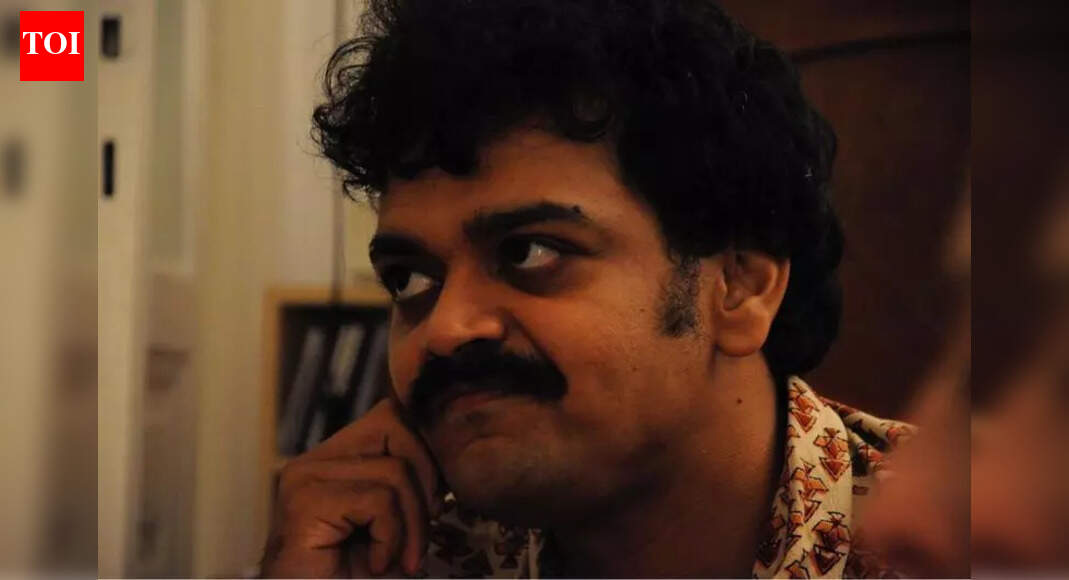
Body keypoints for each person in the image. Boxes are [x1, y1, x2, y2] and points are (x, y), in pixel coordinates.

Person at [261, 1, 913, 577]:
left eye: (528, 252)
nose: (445, 328)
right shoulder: (401, 556)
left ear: (739, 287)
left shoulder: (949, 542)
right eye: (410, 279)